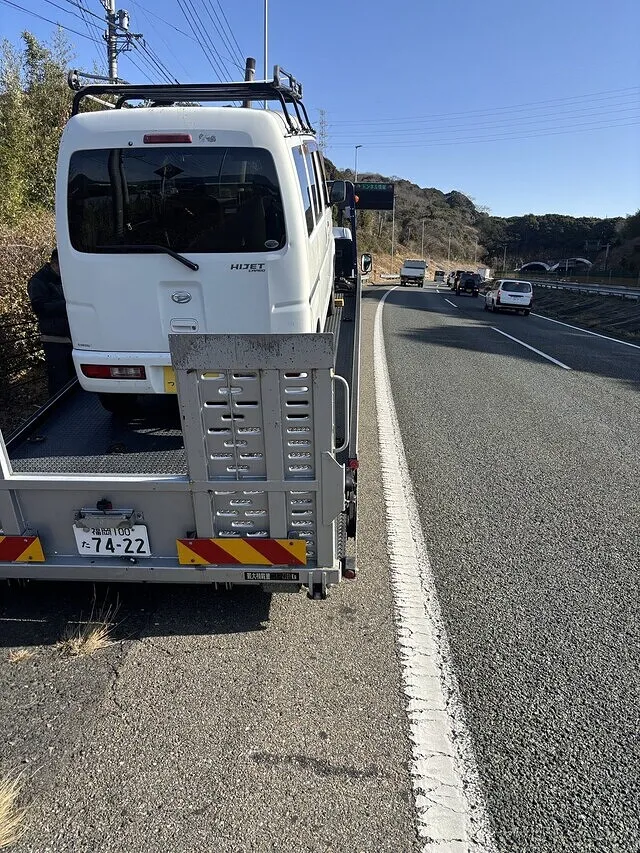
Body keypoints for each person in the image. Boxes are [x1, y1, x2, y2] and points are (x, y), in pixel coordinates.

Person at [27, 249, 75, 396]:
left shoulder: (60, 278)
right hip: (53, 338)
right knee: (59, 381)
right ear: (55, 263)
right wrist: (67, 305)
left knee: (71, 380)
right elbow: (39, 308)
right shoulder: (38, 281)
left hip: (68, 336)